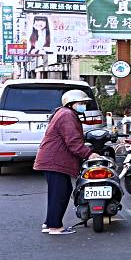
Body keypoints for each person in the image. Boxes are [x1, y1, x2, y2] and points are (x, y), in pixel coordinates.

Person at [34, 89, 99, 235]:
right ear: (71, 103)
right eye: (81, 103)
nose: (83, 106)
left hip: (53, 160)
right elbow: (73, 142)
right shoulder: (67, 115)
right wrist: (89, 154)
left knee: (57, 193)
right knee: (61, 193)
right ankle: (55, 227)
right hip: (55, 160)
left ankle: (49, 223)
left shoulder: (64, 113)